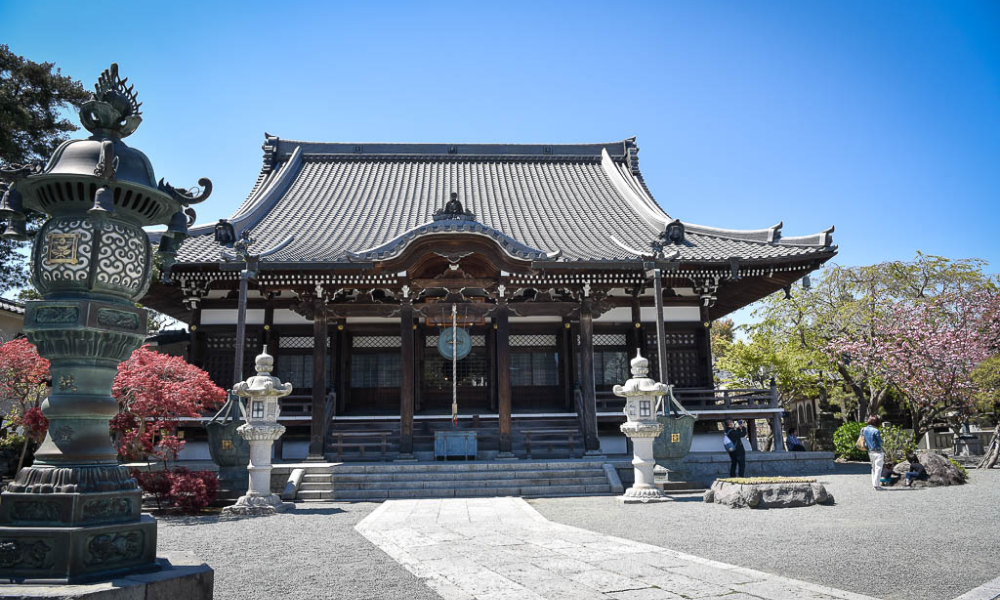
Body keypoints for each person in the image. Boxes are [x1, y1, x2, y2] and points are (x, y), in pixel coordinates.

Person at [862, 415, 885, 490]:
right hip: (878, 451)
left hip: (870, 451)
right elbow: (880, 441)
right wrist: (883, 441)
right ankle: (876, 485)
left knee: (874, 468)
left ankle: (874, 484)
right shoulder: (876, 431)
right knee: (878, 468)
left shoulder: (864, 429)